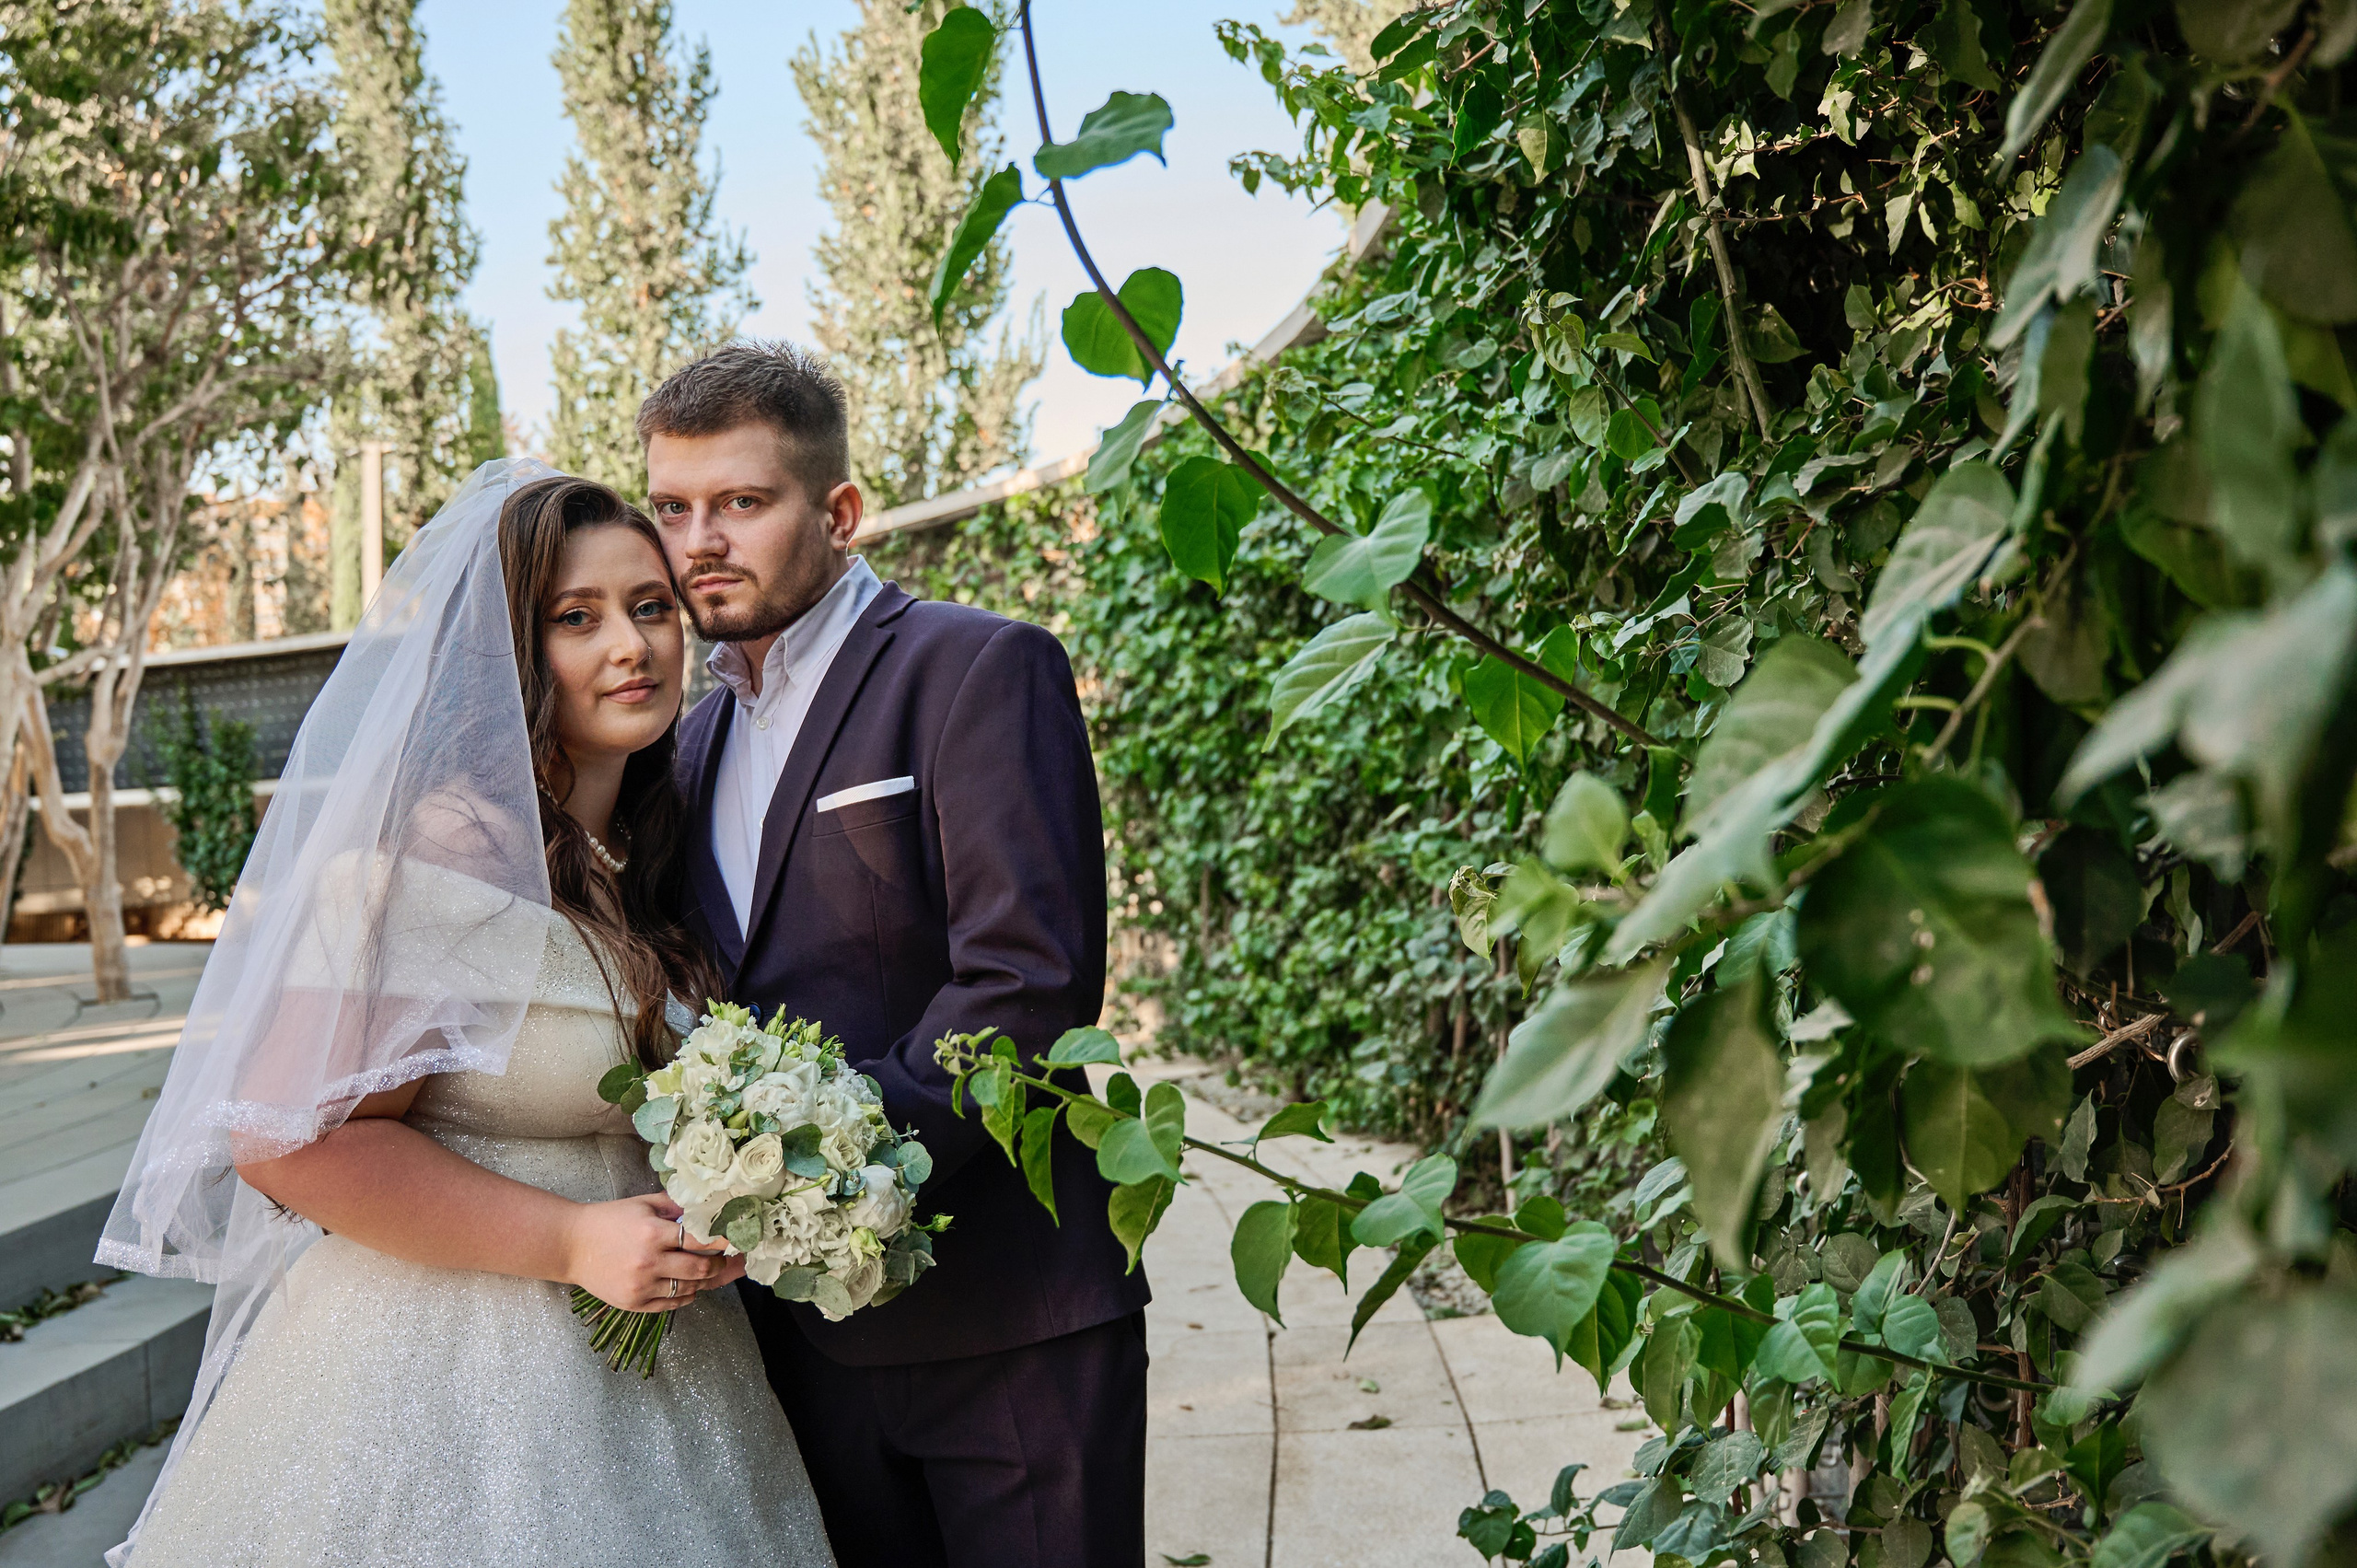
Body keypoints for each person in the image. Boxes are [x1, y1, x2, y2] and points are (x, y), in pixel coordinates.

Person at [96, 464, 834, 1567]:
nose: (630, 644)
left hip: (664, 1371)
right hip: (455, 1374)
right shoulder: (440, 849)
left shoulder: (630, 854)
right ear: (503, 657)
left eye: (648, 607)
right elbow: (287, 1139)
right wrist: (575, 1235)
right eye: (574, 619)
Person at [643, 341, 1150, 1568]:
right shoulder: (689, 735)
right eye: (673, 507)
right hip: (794, 1347)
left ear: (842, 510)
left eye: (742, 503)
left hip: (1004, 1322)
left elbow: (1024, 986)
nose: (700, 540)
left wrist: (820, 1176)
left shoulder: (978, 666)